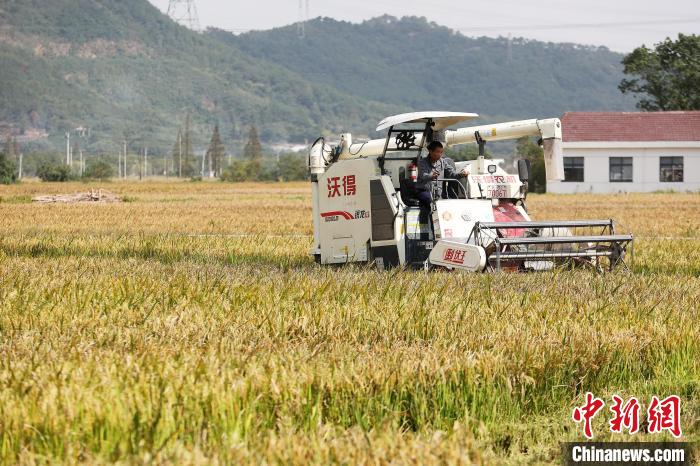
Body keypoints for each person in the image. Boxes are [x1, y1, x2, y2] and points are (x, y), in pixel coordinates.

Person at [415, 141, 469, 205]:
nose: (439, 155)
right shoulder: (422, 162)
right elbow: (423, 175)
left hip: (438, 193)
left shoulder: (442, 162)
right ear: (430, 151)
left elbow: (452, 174)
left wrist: (460, 174)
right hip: (424, 191)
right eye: (437, 152)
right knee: (430, 200)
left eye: (441, 152)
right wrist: (431, 176)